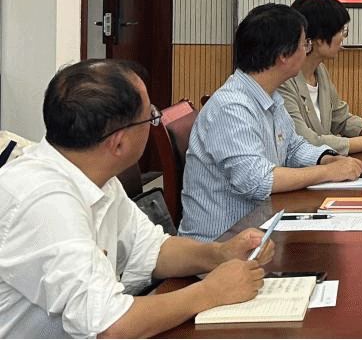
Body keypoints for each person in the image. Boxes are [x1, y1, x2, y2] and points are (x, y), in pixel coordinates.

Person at [0, 60, 274, 338]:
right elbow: (110, 326)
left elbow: (152, 250)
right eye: (150, 117)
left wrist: (219, 254)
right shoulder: (44, 202)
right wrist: (210, 292)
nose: (153, 122)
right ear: (118, 143)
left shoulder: (94, 176)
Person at [179, 3, 362, 242]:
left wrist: (327, 158)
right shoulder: (232, 107)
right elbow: (258, 181)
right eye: (304, 45)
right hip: (221, 244)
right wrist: (327, 172)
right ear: (283, 56)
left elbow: (293, 147)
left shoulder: (270, 96)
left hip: (261, 229)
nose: (307, 51)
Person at [277, 0, 362, 155]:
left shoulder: (320, 70)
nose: (343, 37)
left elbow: (341, 119)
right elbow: (306, 141)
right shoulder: (284, 80)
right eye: (341, 30)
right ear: (319, 38)